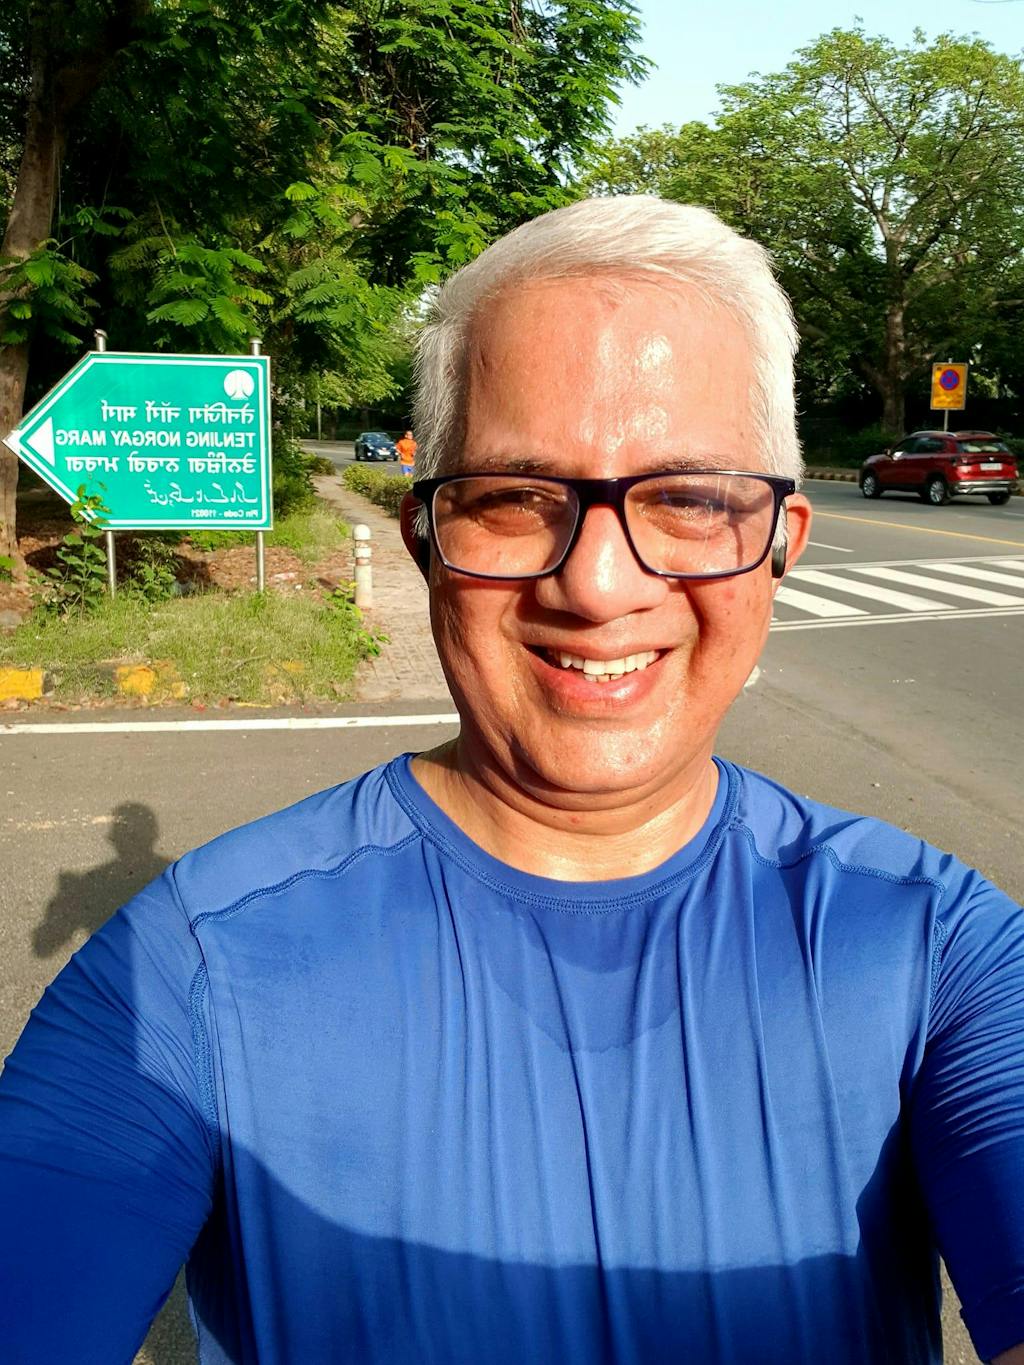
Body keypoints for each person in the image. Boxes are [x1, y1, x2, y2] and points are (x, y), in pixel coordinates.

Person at [1, 197, 1023, 1365]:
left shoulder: (940, 949)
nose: (596, 586)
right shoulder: (188, 970)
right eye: (513, 499)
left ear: (782, 540)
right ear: (424, 540)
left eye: (689, 498)